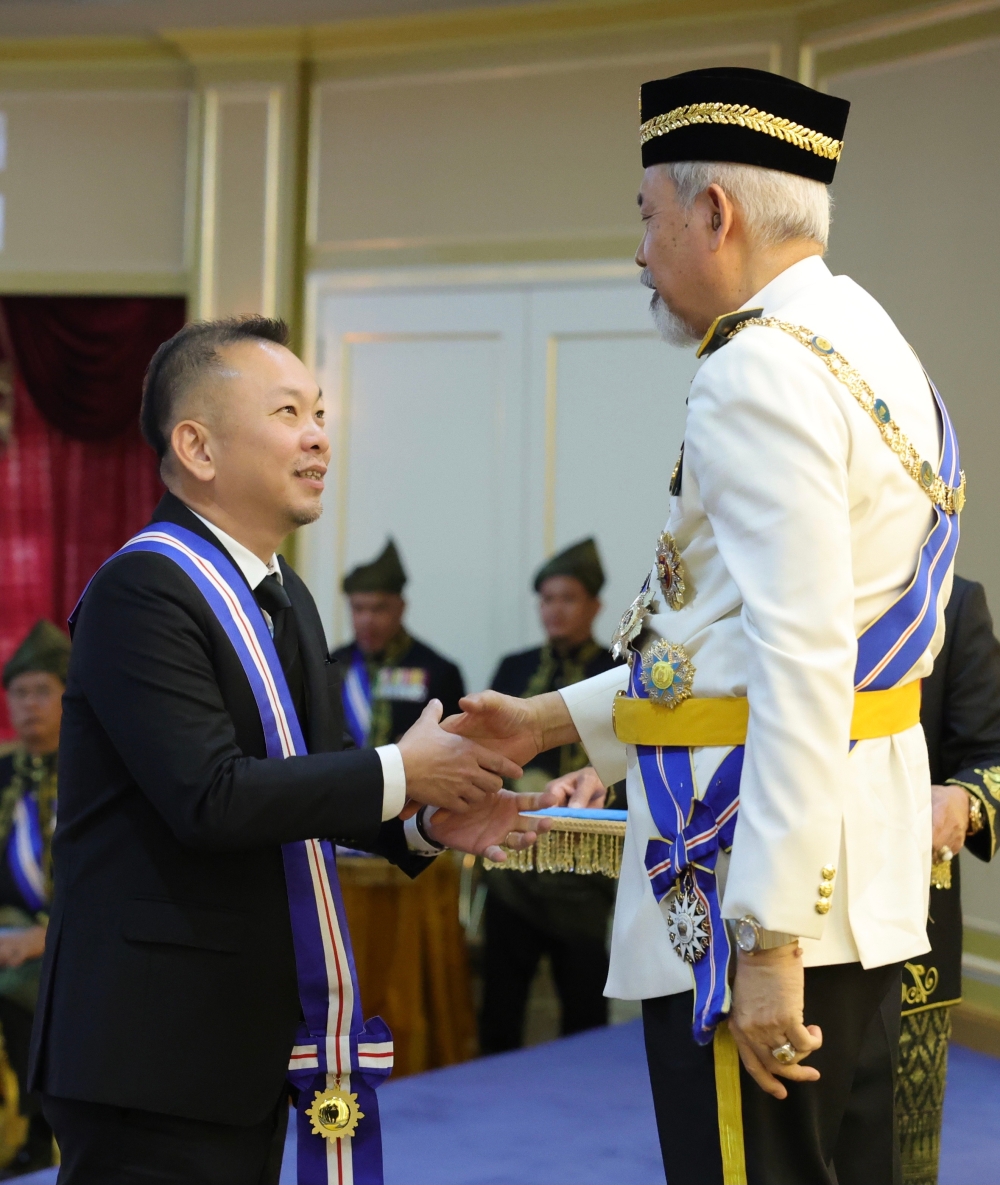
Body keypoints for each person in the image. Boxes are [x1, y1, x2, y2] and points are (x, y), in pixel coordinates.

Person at [446, 66, 964, 1184]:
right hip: (858, 881)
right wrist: (545, 719)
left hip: (761, 894)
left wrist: (766, 936)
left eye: (645, 214)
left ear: (713, 213)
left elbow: (802, 661)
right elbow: (728, 641)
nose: (638, 249)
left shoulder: (755, 371)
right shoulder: (865, 337)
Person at [28, 315, 555, 1185]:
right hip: (148, 1049)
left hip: (242, 1037)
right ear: (195, 445)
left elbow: (319, 776)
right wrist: (399, 771)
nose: (318, 436)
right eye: (287, 412)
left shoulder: (287, 594)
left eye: (318, 411)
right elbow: (212, 797)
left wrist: (428, 816)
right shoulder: (141, 590)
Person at [480, 538, 621, 1052]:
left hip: (579, 868)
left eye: (567, 598)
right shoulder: (513, 669)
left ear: (594, 606)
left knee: (584, 999)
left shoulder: (618, 671)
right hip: (514, 861)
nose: (554, 610)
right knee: (500, 1001)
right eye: (546, 599)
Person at [896, 575, 1000, 1185]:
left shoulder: (951, 602)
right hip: (777, 928)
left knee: (895, 1161)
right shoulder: (773, 578)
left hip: (912, 939)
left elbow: (992, 755)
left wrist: (965, 798)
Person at [0, 621, 69, 1176]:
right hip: (8, 931)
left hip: (76, 932)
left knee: (25, 984)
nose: (28, 706)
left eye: (42, 691)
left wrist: (43, 935)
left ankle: (37, 1133)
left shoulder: (97, 772)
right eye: (18, 693)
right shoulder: (3, 774)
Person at [333, 540, 465, 748]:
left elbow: (455, 746)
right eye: (358, 609)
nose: (367, 620)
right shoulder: (332, 665)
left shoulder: (439, 672)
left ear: (401, 608)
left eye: (379, 609)